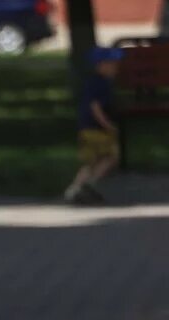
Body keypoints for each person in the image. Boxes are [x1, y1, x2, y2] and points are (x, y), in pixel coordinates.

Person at [64, 46, 122, 205]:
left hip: (90, 127)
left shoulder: (99, 82)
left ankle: (77, 188)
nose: (115, 67)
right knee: (108, 157)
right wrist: (107, 125)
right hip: (95, 128)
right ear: (101, 65)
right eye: (112, 64)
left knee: (93, 161)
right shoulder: (99, 84)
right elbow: (95, 107)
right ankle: (84, 186)